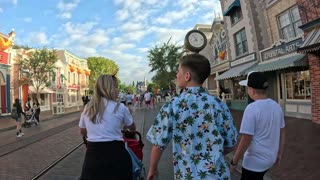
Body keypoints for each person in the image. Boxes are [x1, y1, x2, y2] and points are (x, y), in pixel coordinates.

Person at [146, 54, 238, 180]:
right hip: (218, 175)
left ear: (187, 76)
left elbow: (158, 144)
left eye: (178, 71)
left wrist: (152, 169)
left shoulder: (172, 106)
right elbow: (231, 143)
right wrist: (213, 152)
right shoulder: (218, 104)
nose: (176, 75)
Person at [79, 74, 136, 180]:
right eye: (115, 86)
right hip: (116, 156)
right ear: (109, 88)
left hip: (93, 157)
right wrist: (128, 129)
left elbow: (82, 131)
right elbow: (132, 127)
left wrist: (95, 132)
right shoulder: (120, 108)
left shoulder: (88, 108)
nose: (117, 90)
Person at [230, 71, 285, 180]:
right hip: (270, 158)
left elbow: (246, 139)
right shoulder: (276, 106)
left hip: (254, 163)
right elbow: (282, 132)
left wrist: (234, 161)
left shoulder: (251, 108)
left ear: (251, 90)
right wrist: (279, 153)